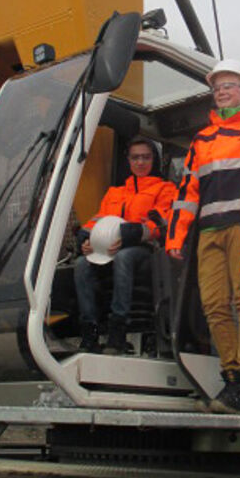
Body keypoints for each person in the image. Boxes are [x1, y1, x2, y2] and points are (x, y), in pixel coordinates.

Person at [167, 59, 240, 414]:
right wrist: (175, 237)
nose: (221, 92)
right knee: (214, 305)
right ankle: (232, 378)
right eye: (217, 88)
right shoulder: (203, 139)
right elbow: (188, 192)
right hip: (210, 230)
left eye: (228, 86)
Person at [75, 136, 176, 354]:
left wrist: (130, 235)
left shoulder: (164, 188)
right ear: (128, 161)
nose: (140, 162)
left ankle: (117, 331)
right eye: (135, 157)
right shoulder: (114, 192)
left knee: (124, 257)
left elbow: (159, 222)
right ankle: (89, 332)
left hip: (147, 252)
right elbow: (97, 220)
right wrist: (86, 240)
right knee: (82, 264)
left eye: (146, 157)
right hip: (112, 249)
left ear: (154, 160)